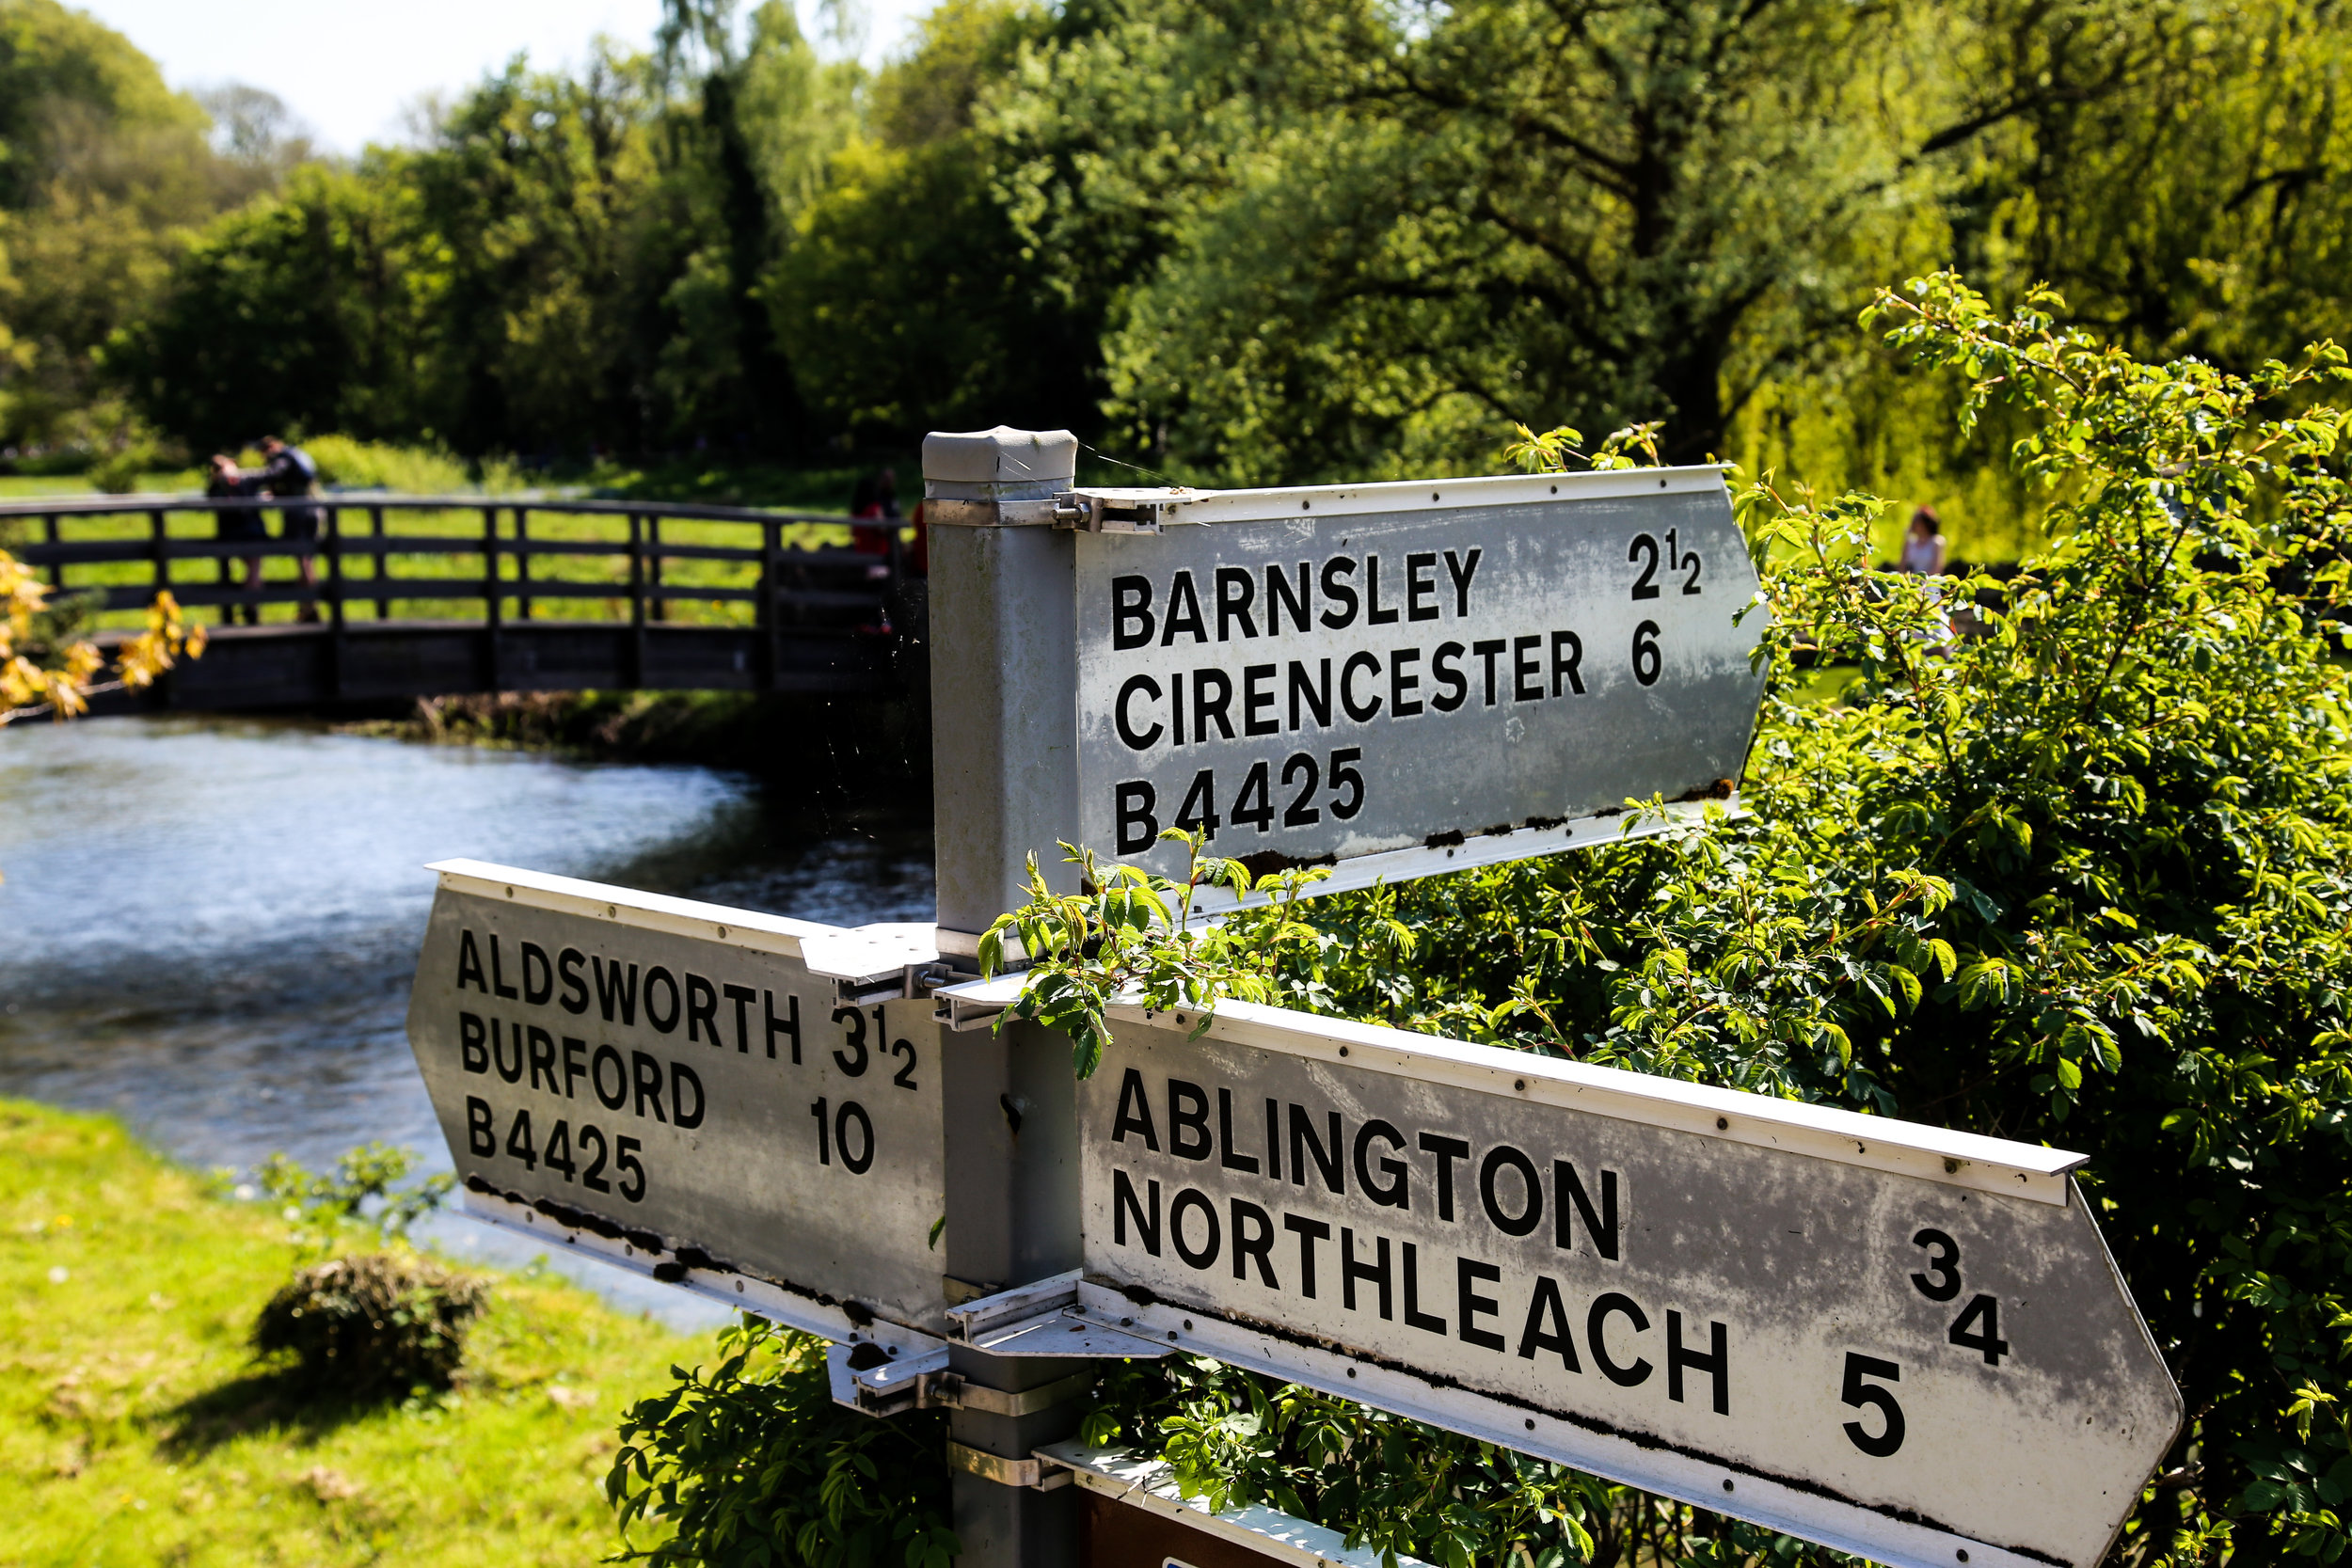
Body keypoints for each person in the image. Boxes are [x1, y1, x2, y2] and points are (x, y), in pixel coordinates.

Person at [256, 435, 325, 622]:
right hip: (315, 511)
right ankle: (308, 608)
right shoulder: (297, 454)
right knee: (306, 560)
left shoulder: (283, 458)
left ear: (270, 447)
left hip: (300, 513)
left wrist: (247, 480)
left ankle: (309, 609)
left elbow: (274, 475)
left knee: (303, 561)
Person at [207, 453, 265, 626]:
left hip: (228, 535)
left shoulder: (214, 486)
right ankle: (251, 611)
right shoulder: (238, 479)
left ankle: (236, 612)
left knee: (242, 572)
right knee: (254, 571)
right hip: (250, 533)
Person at [1899, 505, 1947, 576]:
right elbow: (1901, 566)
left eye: (1916, 522)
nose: (1913, 524)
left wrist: (1918, 578)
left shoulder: (1937, 541)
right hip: (1911, 581)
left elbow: (1937, 569)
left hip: (1929, 582)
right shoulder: (1910, 542)